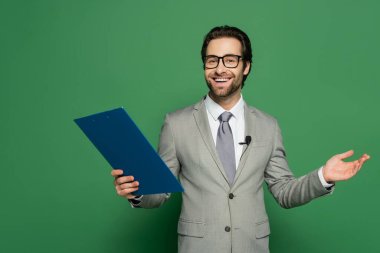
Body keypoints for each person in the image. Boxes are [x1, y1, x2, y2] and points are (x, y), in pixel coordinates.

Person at [111, 26, 370, 253]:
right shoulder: (175, 123)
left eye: (230, 60)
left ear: (246, 66)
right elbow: (161, 191)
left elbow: (284, 191)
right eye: (212, 60)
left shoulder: (268, 126)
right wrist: (137, 191)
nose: (220, 68)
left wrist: (323, 176)